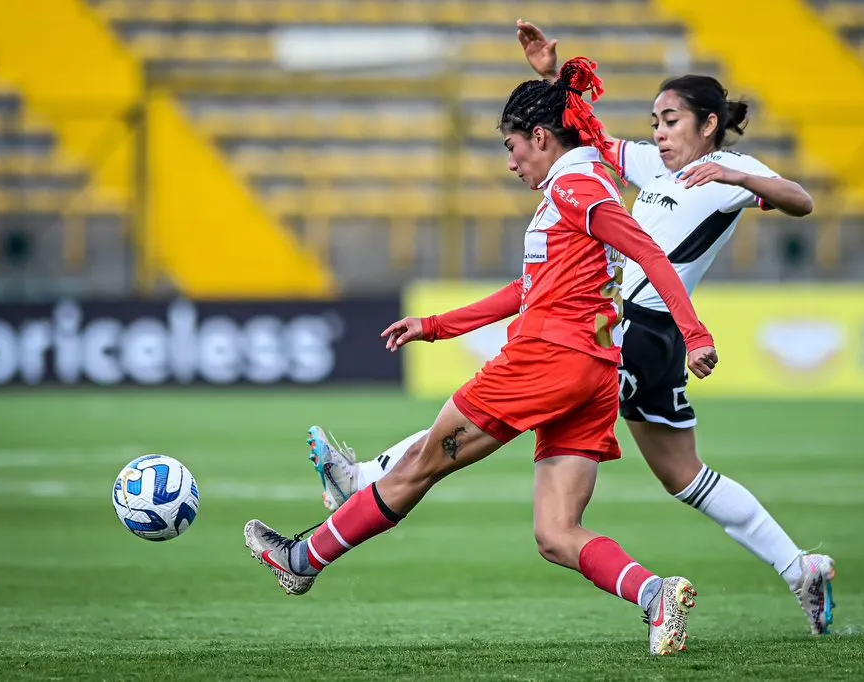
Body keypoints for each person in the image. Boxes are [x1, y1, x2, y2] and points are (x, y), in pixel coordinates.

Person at [308, 22, 837, 637]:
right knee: (683, 475)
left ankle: (370, 477)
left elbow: (800, 200)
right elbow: (575, 141)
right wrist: (551, 79)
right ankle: (799, 566)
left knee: (504, 399)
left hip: (632, 330)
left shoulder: (726, 170)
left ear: (708, 125)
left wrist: (743, 181)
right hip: (636, 333)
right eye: (656, 121)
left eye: (671, 120)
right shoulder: (645, 165)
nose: (659, 132)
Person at [245, 57, 720, 657]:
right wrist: (437, 326)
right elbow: (528, 289)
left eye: (513, 146)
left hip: (547, 359)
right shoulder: (579, 185)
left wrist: (695, 334)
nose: (511, 161)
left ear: (542, 138)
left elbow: (649, 253)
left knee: (422, 463)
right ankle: (657, 596)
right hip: (594, 372)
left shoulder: (576, 189)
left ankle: (303, 559)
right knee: (555, 534)